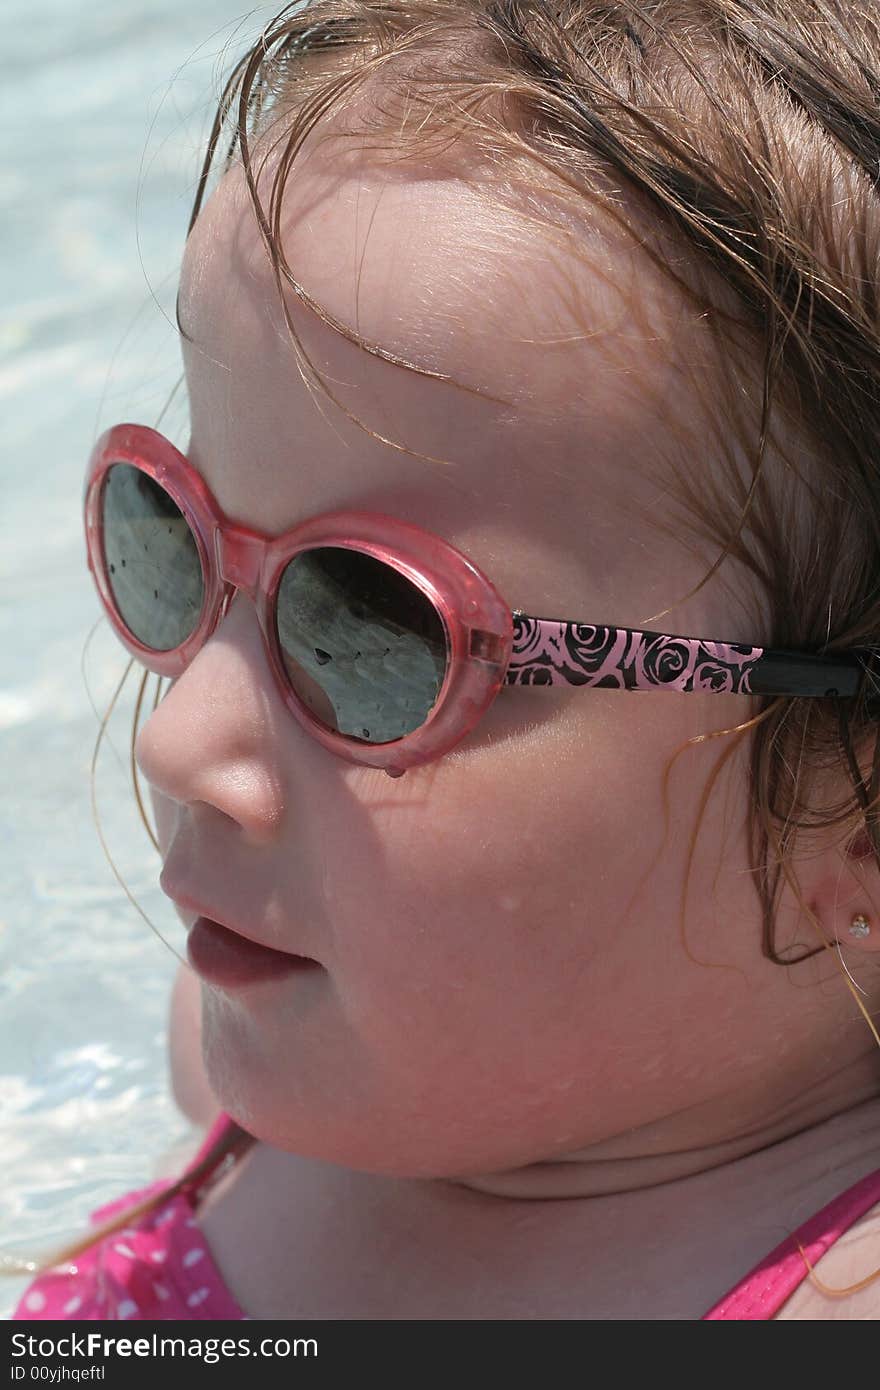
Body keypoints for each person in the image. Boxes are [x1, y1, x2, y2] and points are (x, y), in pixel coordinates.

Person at [10, 0, 880, 1320]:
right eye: (171, 539)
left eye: (371, 626)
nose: (177, 737)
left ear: (853, 814)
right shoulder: (271, 1029)